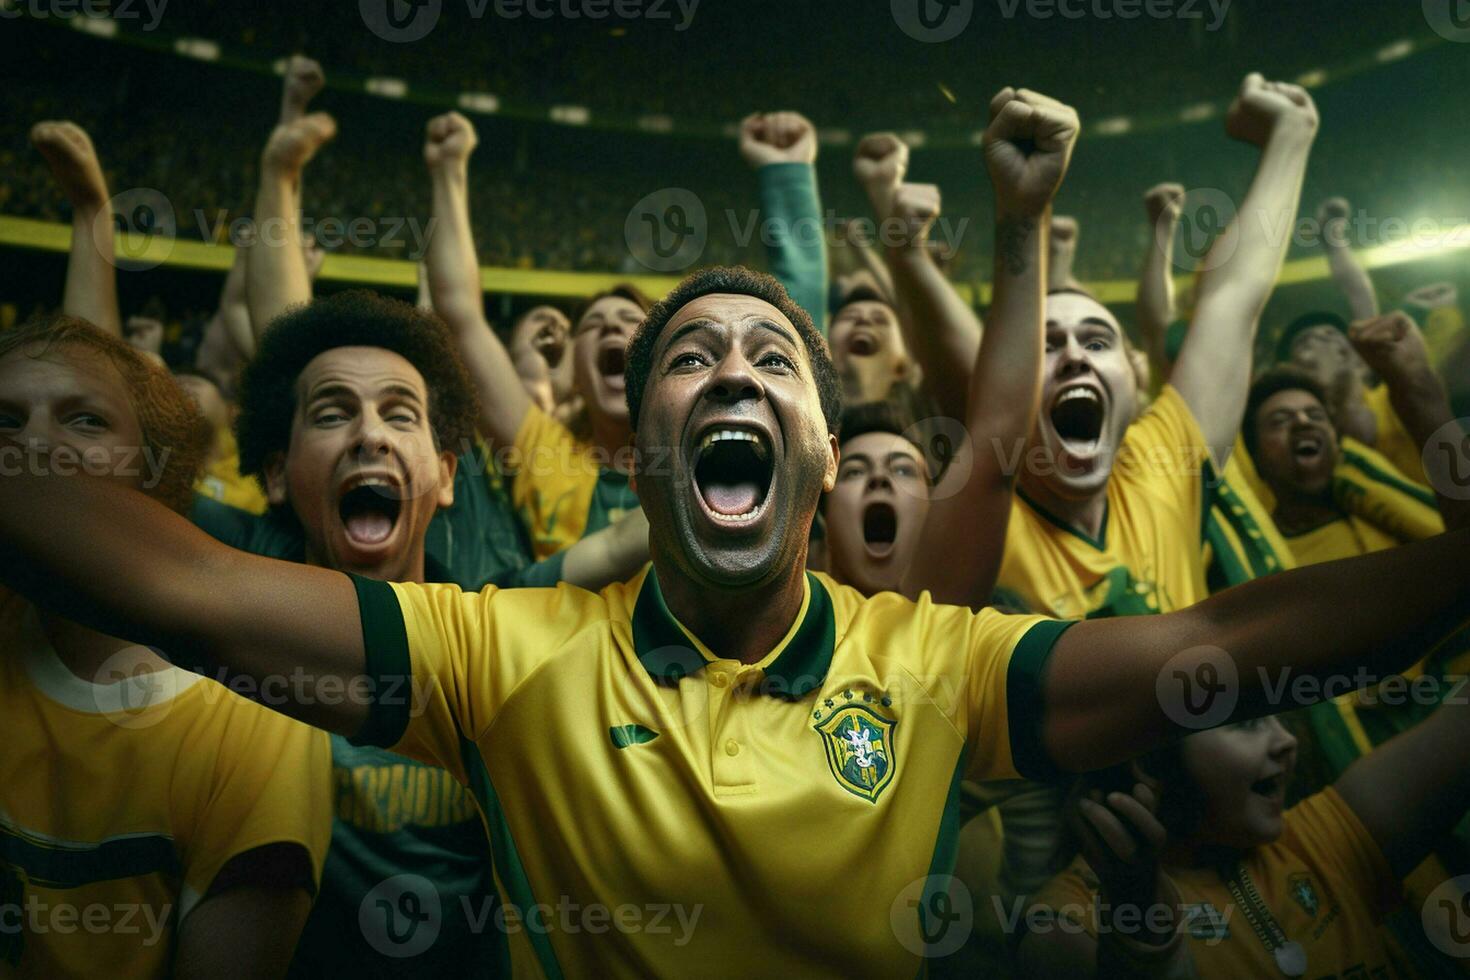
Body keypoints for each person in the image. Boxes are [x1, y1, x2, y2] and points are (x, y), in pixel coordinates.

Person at [7, 84, 1470, 976]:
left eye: (774, 363)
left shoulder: (938, 665)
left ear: (823, 452)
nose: (729, 375)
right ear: (633, 451)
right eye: (689, 361)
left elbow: (1212, 642)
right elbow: (186, 589)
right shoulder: (496, 652)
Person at [0, 314, 331, 977]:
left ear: (157, 473)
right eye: (4, 419)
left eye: (85, 421)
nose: (32, 444)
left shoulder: (259, 718)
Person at [1018, 694, 1470, 978]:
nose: (1287, 740)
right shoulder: (1066, 920)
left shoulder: (1318, 840)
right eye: (1248, 723)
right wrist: (1137, 914)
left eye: (1279, 719)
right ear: (1152, 763)